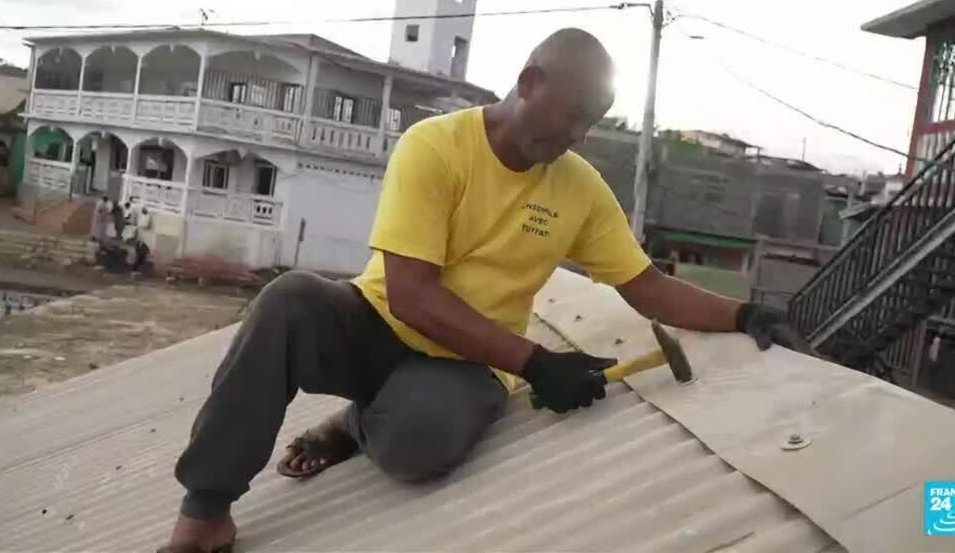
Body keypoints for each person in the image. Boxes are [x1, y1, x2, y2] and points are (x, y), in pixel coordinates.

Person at [157, 28, 810, 553]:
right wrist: (538, 363)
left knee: (417, 447)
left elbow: (647, 286)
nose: (578, 136)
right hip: (378, 322)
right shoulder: (435, 148)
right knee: (289, 298)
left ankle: (356, 423)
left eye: (592, 123)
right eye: (575, 116)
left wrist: (744, 312)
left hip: (468, 362)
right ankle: (206, 513)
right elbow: (410, 295)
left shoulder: (579, 189)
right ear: (529, 84)